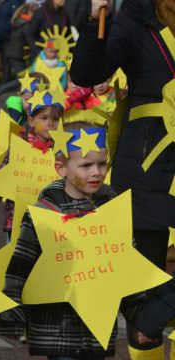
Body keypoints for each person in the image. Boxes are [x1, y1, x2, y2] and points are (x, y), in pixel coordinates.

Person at [70, 0, 175, 357]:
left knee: (154, 310)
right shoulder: (134, 14)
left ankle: (155, 316)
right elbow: (87, 72)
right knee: (144, 291)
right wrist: (93, 16)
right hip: (151, 164)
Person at [0, 121, 118, 359]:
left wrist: (142, 312)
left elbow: (126, 258)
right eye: (86, 165)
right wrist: (11, 315)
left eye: (102, 163)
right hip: (56, 323)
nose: (97, 172)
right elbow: (20, 264)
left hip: (98, 320)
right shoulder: (43, 212)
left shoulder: (111, 206)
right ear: (61, 168)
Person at [0, 90, 63, 240]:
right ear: (31, 120)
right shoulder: (19, 147)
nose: (50, 123)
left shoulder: (63, 150)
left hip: (52, 224)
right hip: (18, 223)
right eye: (44, 118)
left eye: (56, 119)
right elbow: (2, 179)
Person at [0, 0, 22, 83]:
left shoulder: (15, 2)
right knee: (3, 59)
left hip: (8, 36)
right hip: (0, 35)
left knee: (6, 60)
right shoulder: (1, 4)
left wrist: (6, 30)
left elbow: (14, 18)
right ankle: (5, 80)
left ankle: (5, 81)